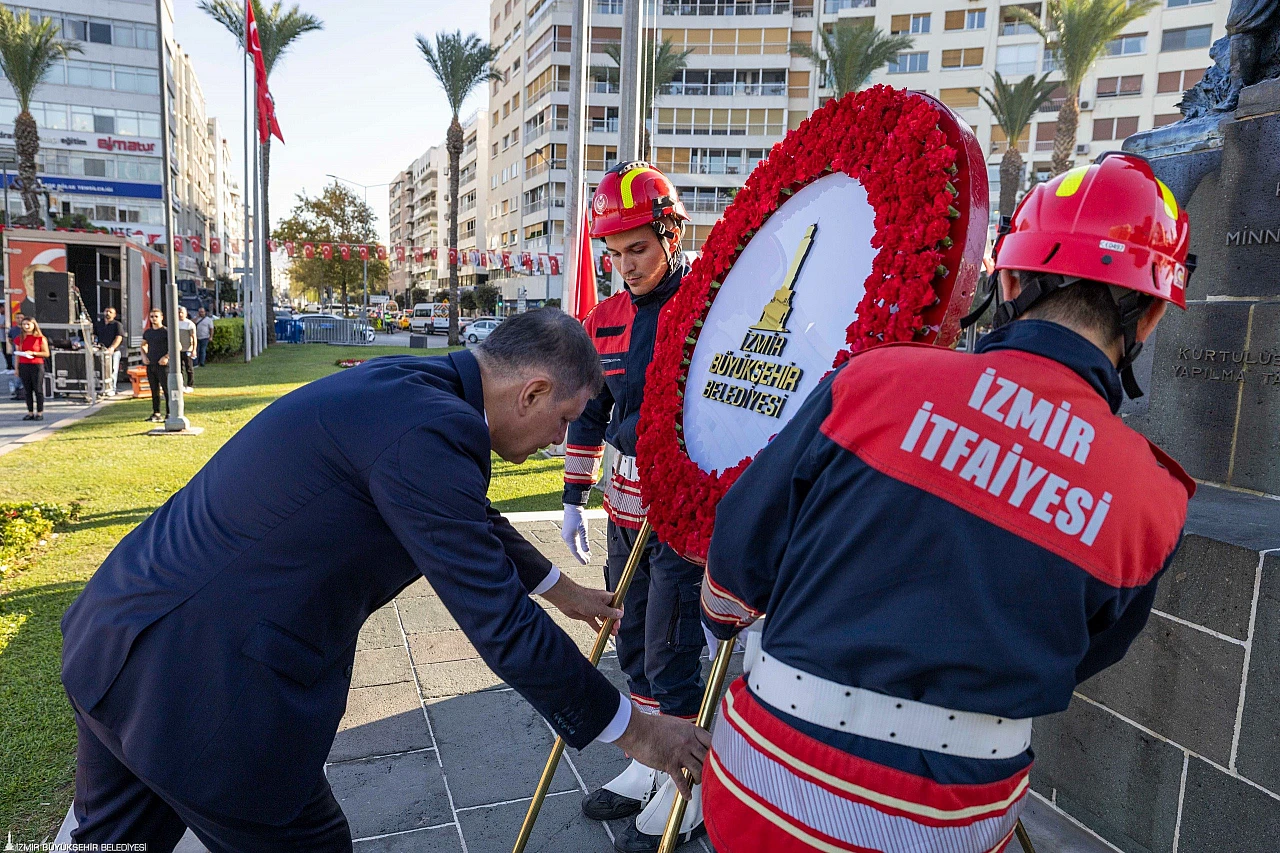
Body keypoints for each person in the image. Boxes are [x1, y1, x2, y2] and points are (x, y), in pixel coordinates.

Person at [60, 309, 711, 852]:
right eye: (564, 417)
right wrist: (641, 730)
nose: (558, 439)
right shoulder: (433, 429)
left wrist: (560, 589)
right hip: (209, 697)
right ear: (532, 391)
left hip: (113, 639)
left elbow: (469, 513)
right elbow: (501, 627)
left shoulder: (411, 387)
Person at [696, 153, 1197, 853]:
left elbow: (738, 553)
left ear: (1013, 279)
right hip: (952, 823)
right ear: (1147, 319)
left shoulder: (873, 380)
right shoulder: (1155, 499)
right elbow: (1080, 652)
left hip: (766, 795)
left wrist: (723, 618)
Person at [562, 162, 708, 852]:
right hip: (624, 508)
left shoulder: (708, 309)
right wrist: (571, 495)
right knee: (633, 639)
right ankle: (647, 756)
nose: (626, 266)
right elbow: (591, 410)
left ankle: (692, 779)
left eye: (638, 250)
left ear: (672, 234)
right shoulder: (606, 318)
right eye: (614, 254)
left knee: (672, 640)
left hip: (682, 514)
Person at [15, 315, 50, 421]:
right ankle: (30, 412)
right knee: (27, 390)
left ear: (33, 325)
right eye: (24, 324)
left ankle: (39, 412)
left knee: (38, 389)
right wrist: (17, 368)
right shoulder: (19, 338)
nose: (26, 326)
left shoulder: (40, 338)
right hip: (24, 365)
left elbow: (46, 353)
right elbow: (17, 355)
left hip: (36, 365)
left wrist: (34, 353)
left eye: (28, 324)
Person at [141, 308, 169, 423]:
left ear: (161, 317)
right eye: (152, 316)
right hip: (151, 364)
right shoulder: (148, 332)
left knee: (167, 390)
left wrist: (166, 357)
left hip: (163, 366)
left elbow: (177, 346)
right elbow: (143, 345)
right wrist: (144, 356)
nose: (154, 319)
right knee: (154, 390)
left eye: (156, 316)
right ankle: (156, 413)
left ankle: (170, 413)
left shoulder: (166, 331)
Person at [96, 307, 125, 396]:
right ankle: (102, 388)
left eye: (110, 312)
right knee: (101, 370)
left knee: (113, 370)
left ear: (114, 315)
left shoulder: (117, 325)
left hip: (114, 352)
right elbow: (94, 334)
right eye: (106, 311)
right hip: (101, 351)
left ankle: (112, 388)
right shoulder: (99, 324)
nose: (108, 313)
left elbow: (119, 337)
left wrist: (112, 348)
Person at [177, 306, 197, 391]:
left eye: (182, 313)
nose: (180, 314)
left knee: (189, 368)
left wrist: (194, 349)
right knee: (179, 368)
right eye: (179, 313)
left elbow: (194, 337)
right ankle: (180, 384)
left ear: (186, 314)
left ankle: (190, 385)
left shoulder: (189, 324)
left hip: (187, 349)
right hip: (178, 350)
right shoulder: (175, 323)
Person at [8, 311, 24, 396]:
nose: (19, 319)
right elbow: (10, 340)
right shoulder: (13, 329)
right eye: (18, 318)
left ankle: (23, 387)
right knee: (17, 370)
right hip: (16, 353)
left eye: (21, 318)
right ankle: (17, 388)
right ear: (15, 319)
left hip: (25, 353)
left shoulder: (26, 329)